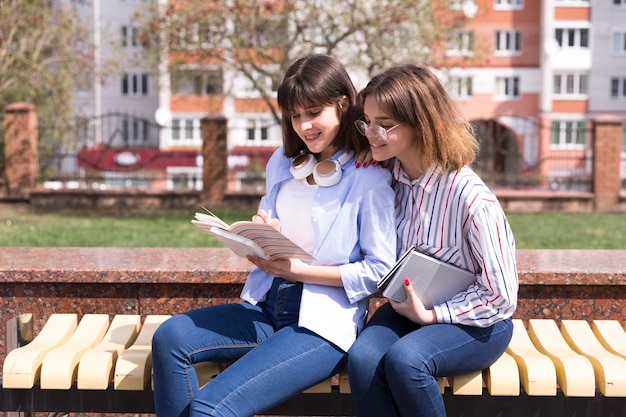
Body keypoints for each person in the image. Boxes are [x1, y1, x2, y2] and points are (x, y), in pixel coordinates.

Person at [150, 54, 397, 417]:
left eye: (314, 112)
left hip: (322, 327)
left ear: (343, 105)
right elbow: (273, 218)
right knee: (170, 338)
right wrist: (264, 229)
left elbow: (380, 271)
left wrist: (297, 271)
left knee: (209, 409)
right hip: (268, 306)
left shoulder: (369, 179)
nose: (304, 126)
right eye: (295, 116)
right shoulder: (282, 162)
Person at [347, 63, 518, 417]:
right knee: (363, 358)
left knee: (407, 361)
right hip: (406, 311)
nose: (371, 133)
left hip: (477, 323)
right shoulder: (384, 180)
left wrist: (433, 315)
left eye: (385, 124)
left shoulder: (471, 198)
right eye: (367, 122)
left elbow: (501, 297)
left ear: (421, 124)